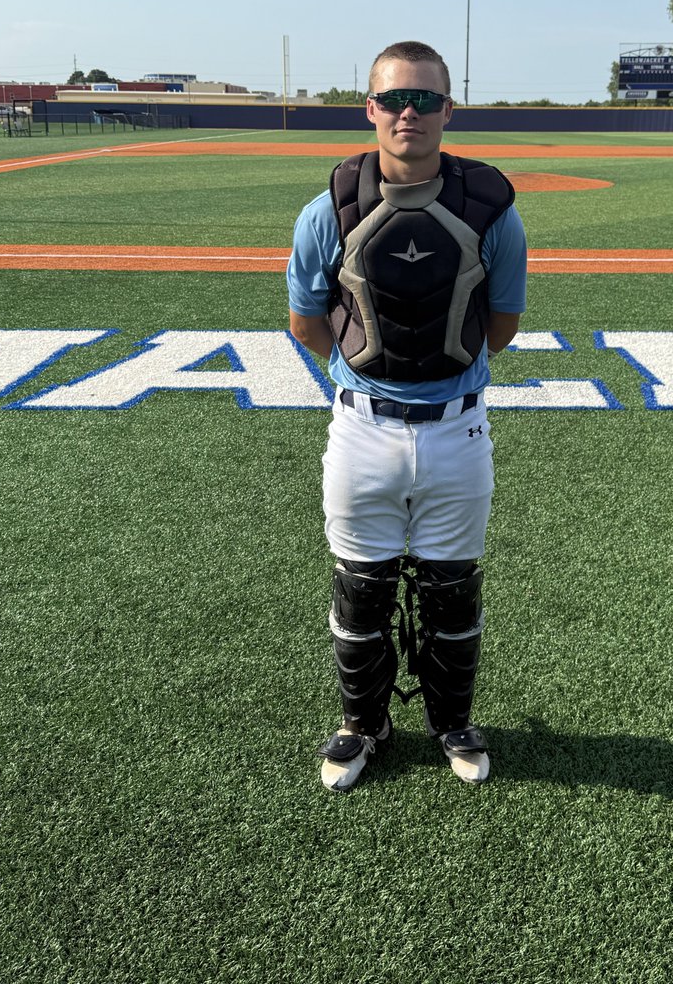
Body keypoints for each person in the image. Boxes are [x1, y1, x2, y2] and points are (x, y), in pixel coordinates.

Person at [287, 40, 527, 792]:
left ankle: (452, 719)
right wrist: (369, 373)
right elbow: (306, 321)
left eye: (424, 100)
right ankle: (363, 723)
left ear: (448, 110)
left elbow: (500, 324)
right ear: (371, 108)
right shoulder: (328, 209)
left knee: (452, 590)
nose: (408, 114)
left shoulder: (491, 209)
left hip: (457, 430)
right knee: (361, 591)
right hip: (363, 429)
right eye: (394, 99)